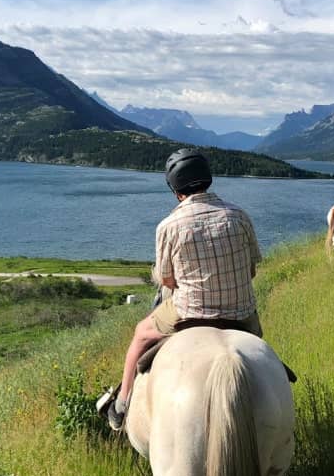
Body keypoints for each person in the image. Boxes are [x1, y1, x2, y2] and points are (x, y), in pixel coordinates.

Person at [99, 148, 263, 431]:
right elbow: (252, 270)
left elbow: (167, 281)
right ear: (208, 179)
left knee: (140, 334)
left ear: (175, 190)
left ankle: (122, 403)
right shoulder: (239, 215)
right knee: (259, 347)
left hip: (188, 313)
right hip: (241, 312)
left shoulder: (169, 225)